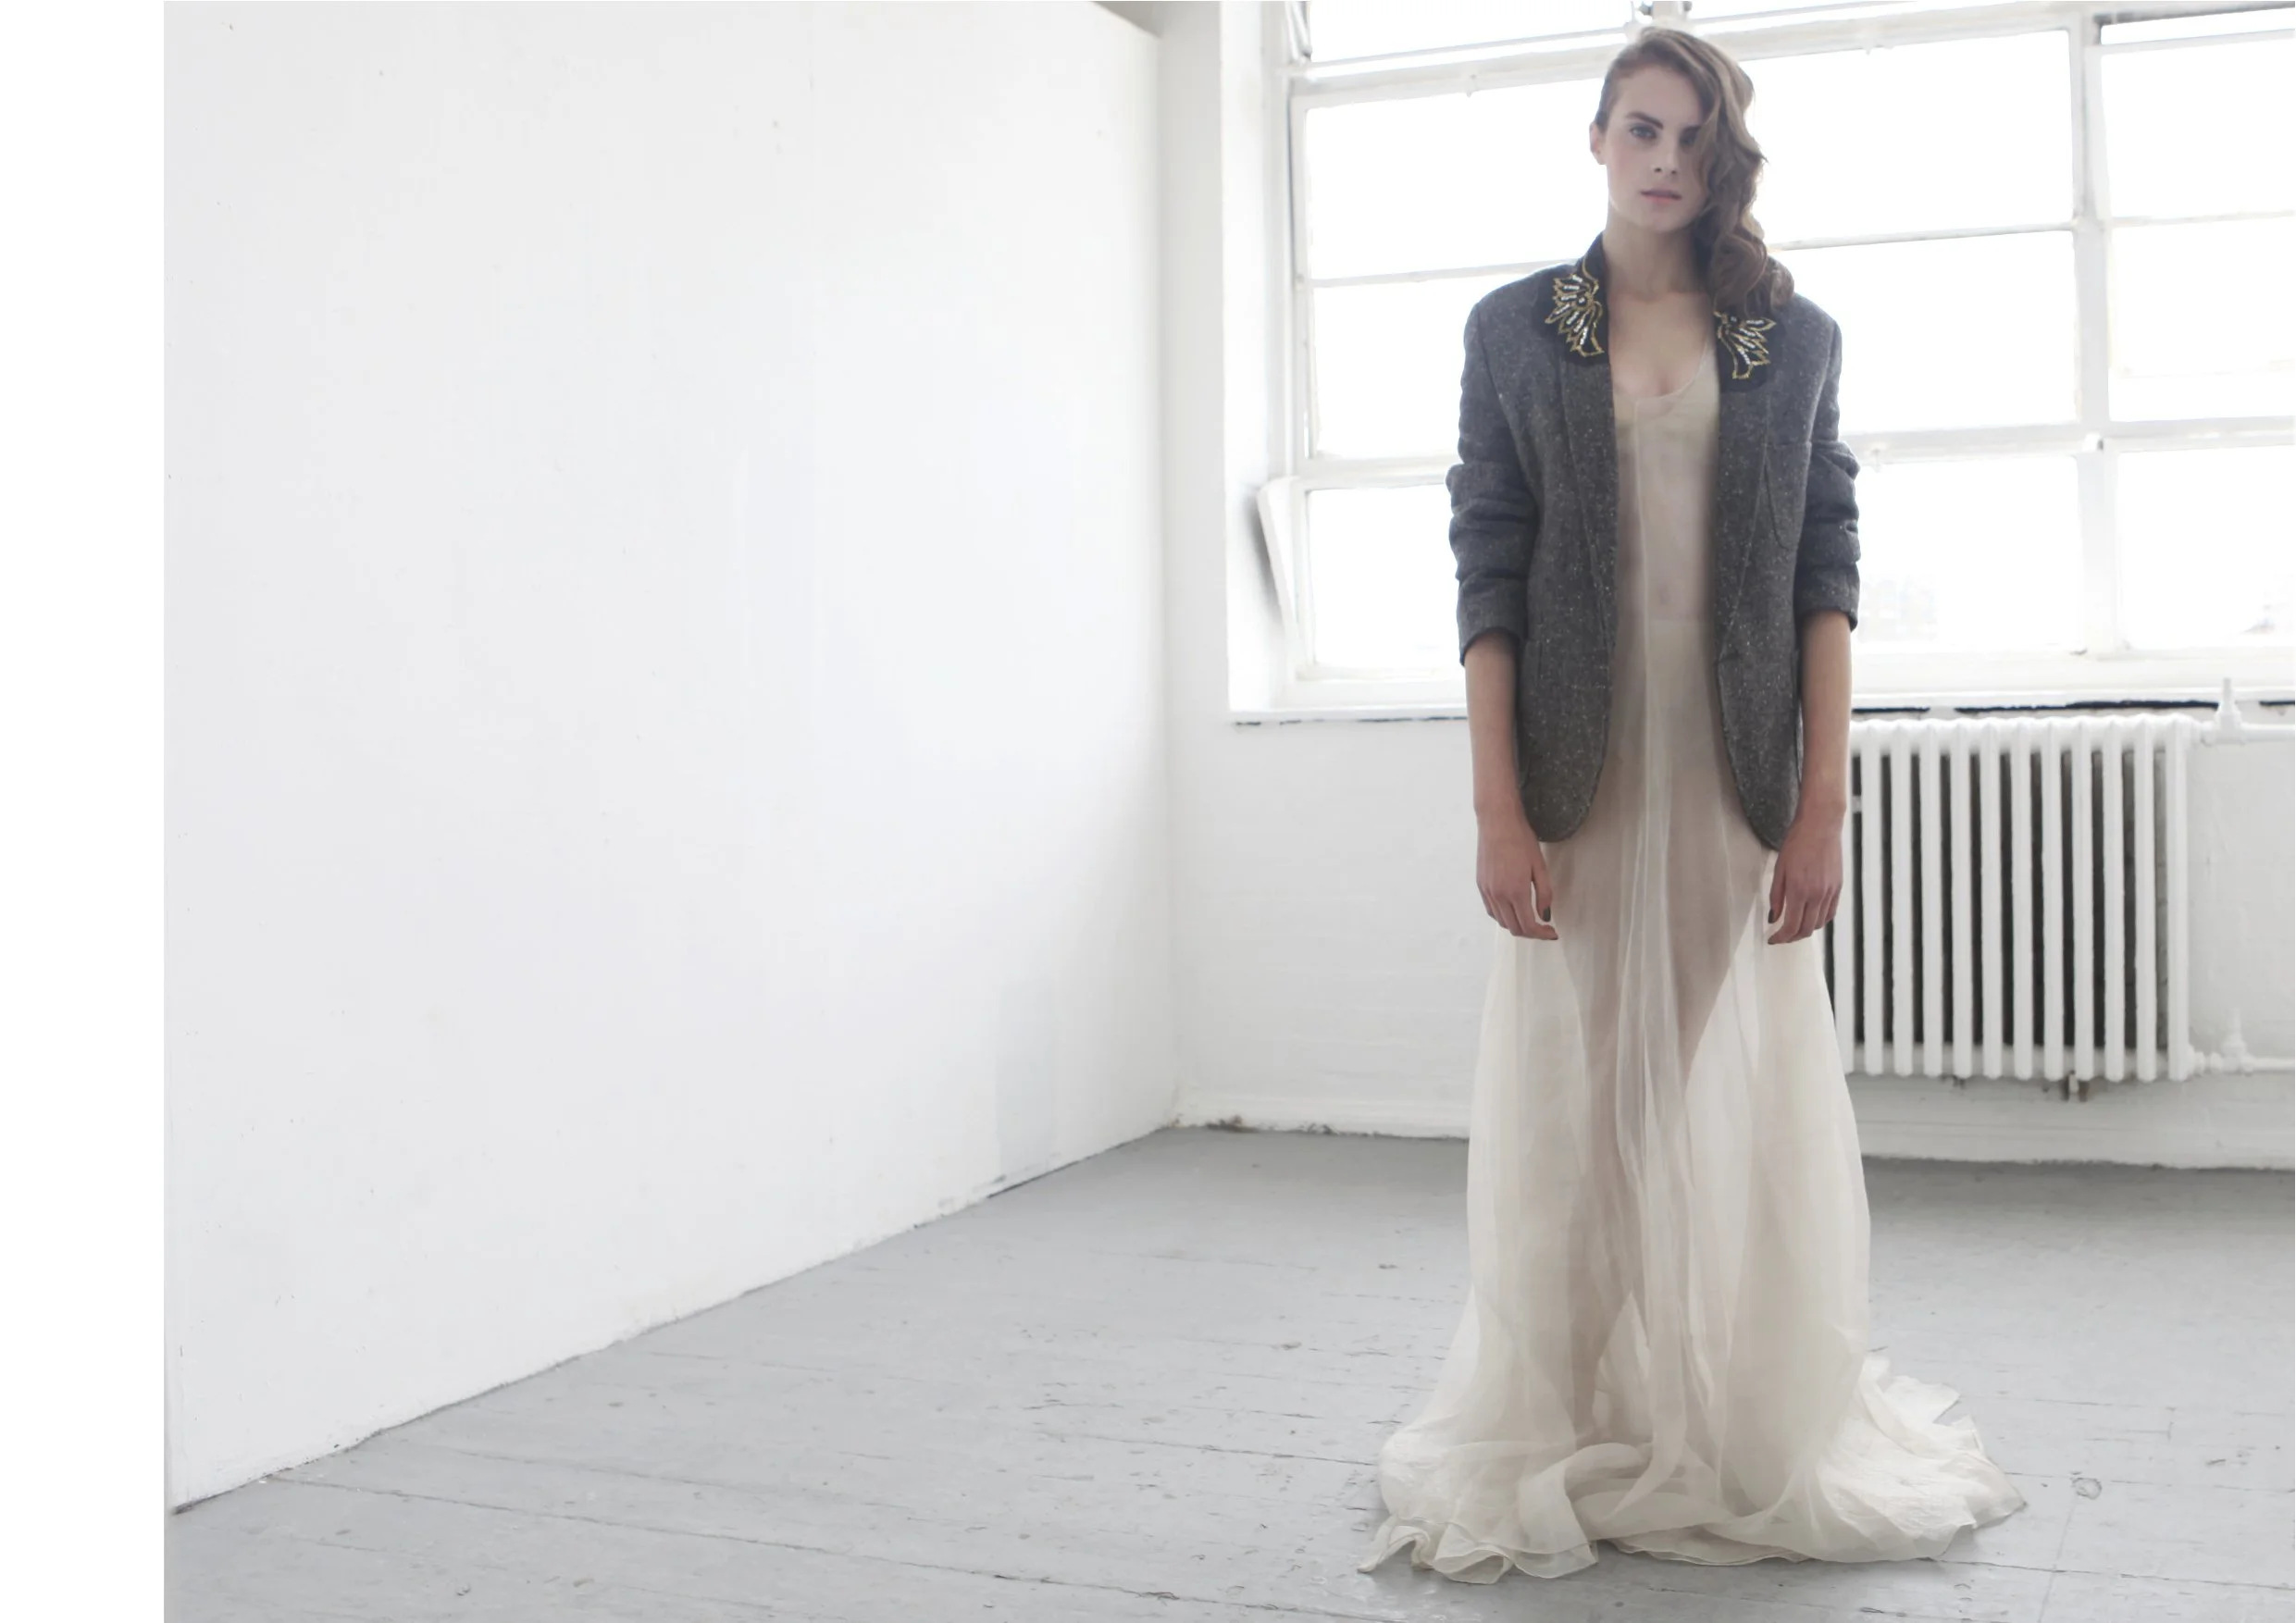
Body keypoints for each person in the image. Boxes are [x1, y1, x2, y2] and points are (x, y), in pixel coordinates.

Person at [1357, 27, 2027, 1582]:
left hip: (1732, 769)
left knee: (1661, 1105)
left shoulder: (1781, 335)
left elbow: (1823, 572)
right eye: (1643, 130)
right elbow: (1489, 566)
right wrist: (1495, 807)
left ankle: (1689, 1407)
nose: (1668, 161)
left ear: (1724, 159)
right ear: (1595, 139)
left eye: (1696, 140)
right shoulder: (1523, 328)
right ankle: (1557, 1410)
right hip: (1581, 770)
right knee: (1584, 1100)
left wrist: (1821, 804)